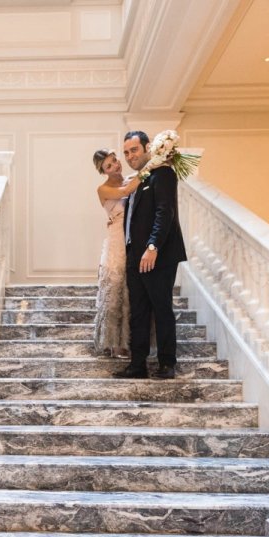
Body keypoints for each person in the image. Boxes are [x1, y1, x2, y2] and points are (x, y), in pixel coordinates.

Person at [116, 131, 187, 379]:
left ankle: (167, 364)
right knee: (139, 311)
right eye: (126, 152)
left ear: (147, 148)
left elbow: (164, 212)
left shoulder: (163, 173)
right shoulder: (138, 179)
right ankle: (138, 365)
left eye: (134, 150)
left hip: (158, 255)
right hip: (134, 255)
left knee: (161, 308)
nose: (129, 156)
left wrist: (152, 247)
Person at [91, 149, 141, 358]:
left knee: (133, 289)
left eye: (114, 161)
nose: (115, 167)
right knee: (116, 289)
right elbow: (124, 192)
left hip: (133, 239)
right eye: (108, 166)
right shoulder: (103, 189)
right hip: (116, 242)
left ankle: (132, 342)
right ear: (103, 171)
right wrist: (151, 165)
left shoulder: (132, 179)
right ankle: (115, 343)